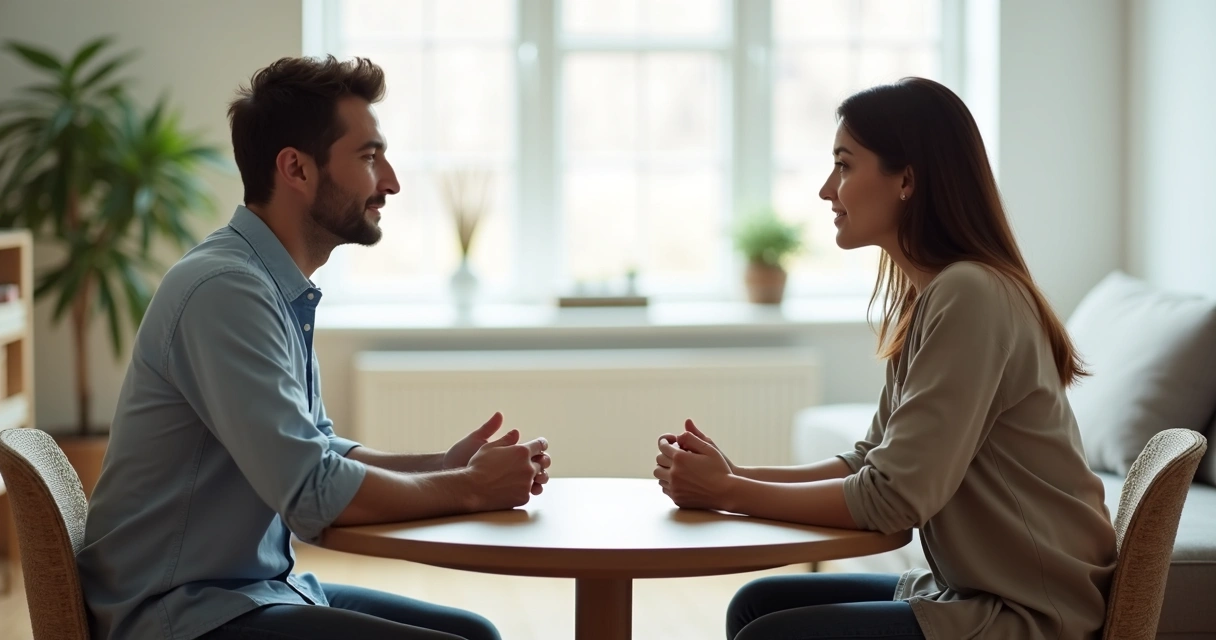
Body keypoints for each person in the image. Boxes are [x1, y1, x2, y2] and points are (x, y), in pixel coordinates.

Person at [75, 55, 551, 640]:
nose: (392, 181)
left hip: (246, 592)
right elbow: (311, 495)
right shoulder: (226, 291)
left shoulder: (270, 284)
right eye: (369, 156)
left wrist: (446, 465)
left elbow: (320, 451)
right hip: (178, 612)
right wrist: (473, 488)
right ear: (296, 169)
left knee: (473, 632)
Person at [653, 77, 1117, 640]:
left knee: (767, 633)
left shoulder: (971, 295)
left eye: (844, 166)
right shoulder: (933, 294)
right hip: (970, 590)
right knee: (758, 604)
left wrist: (726, 494)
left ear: (907, 180)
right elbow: (869, 460)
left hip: (1028, 612)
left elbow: (893, 499)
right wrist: (732, 475)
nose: (828, 189)